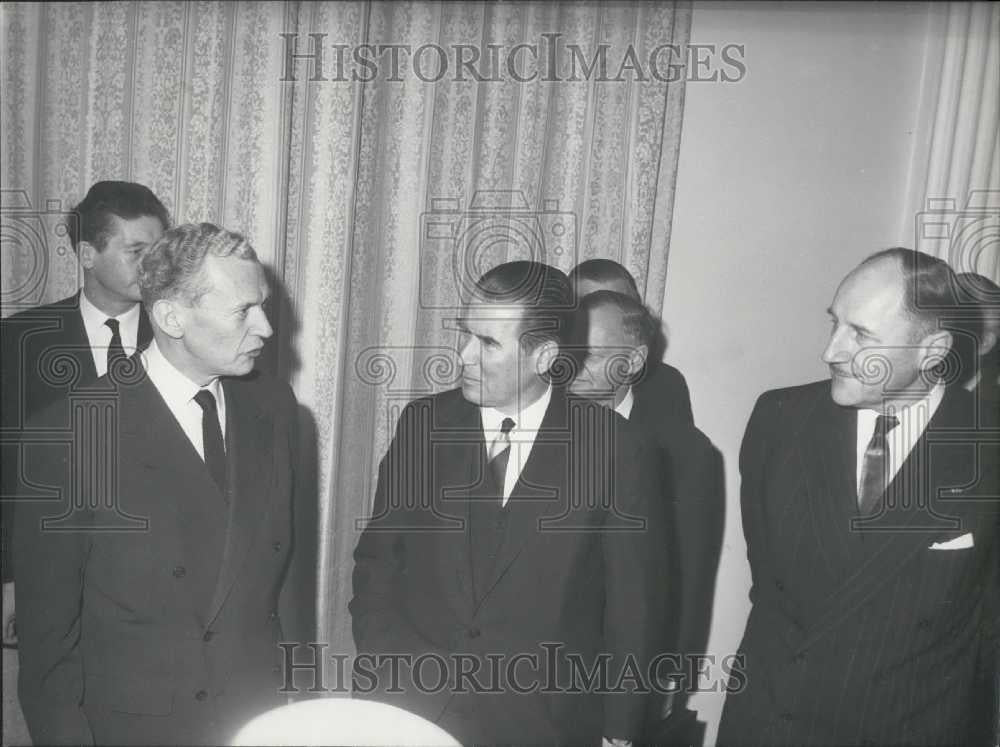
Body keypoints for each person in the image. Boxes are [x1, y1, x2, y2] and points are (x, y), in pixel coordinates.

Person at [350, 261, 669, 745]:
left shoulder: (616, 449)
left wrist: (619, 729)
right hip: (416, 712)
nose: (463, 357)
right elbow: (377, 567)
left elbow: (632, 605)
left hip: (544, 724)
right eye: (466, 335)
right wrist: (385, 682)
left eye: (489, 344)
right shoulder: (423, 425)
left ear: (544, 355)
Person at [14, 222, 302, 745]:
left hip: (255, 719)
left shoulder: (275, 408)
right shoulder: (69, 434)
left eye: (261, 305)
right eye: (243, 311)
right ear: (171, 317)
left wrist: (295, 712)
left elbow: (282, 587)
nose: (265, 328)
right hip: (135, 726)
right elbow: (48, 647)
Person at [718, 248, 999, 746]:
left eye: (862, 336)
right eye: (835, 324)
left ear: (933, 350)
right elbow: (770, 588)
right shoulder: (780, 420)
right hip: (770, 723)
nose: (832, 351)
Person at [1, 181, 168, 646]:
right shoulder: (19, 341)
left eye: (158, 251)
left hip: (161, 590)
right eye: (136, 251)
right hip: (54, 580)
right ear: (87, 254)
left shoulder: (180, 337)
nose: (153, 266)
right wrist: (10, 579)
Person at [568, 290, 723, 743]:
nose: (570, 367)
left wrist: (672, 674)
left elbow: (690, 574)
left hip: (622, 671)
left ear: (634, 360)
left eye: (590, 354)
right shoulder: (534, 430)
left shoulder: (685, 453)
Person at [568, 258, 694, 424]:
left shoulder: (665, 384)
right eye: (586, 304)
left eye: (615, 303)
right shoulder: (540, 384)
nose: (598, 315)